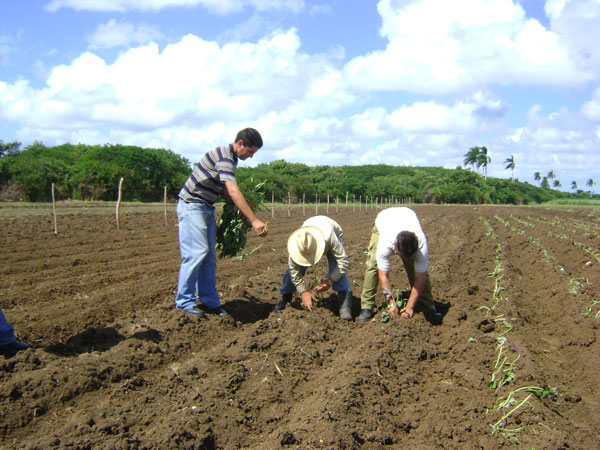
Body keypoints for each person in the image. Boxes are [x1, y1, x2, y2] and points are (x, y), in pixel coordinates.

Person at [175, 128, 268, 319]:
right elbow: (233, 192)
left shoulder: (230, 159)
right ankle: (184, 302)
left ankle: (210, 301)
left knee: (209, 257)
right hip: (192, 206)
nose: (250, 157)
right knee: (196, 253)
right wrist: (254, 220)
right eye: (250, 152)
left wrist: (243, 202)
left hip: (205, 207)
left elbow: (225, 191)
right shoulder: (225, 158)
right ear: (240, 143)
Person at [358, 207, 442, 324]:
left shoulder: (421, 243)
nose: (405, 260)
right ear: (395, 246)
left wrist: (410, 307)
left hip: (407, 215)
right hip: (384, 219)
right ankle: (366, 307)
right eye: (403, 256)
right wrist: (391, 304)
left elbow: (420, 278)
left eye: (410, 256)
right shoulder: (386, 242)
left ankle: (428, 306)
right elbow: (383, 276)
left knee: (415, 268)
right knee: (373, 264)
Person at [274, 216, 353, 320]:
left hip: (333, 231)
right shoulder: (297, 244)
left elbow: (343, 261)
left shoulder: (329, 237)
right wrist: (302, 291)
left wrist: (330, 281)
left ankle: (344, 307)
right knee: (290, 272)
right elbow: (294, 270)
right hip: (313, 229)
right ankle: (285, 300)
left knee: (336, 266)